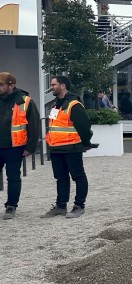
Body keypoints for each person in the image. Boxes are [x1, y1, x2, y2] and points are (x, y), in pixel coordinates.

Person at [42, 76, 95, 219]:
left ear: (63, 86)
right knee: (61, 178)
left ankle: (79, 206)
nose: (51, 87)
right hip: (56, 148)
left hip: (71, 147)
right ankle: (61, 206)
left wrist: (85, 143)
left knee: (78, 177)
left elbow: (84, 127)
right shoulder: (56, 105)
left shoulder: (74, 104)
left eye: (54, 84)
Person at [0, 73, 40, 220]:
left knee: (13, 177)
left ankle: (11, 206)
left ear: (11, 85)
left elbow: (34, 126)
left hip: (14, 147)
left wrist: (30, 148)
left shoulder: (25, 101)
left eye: (1, 85)